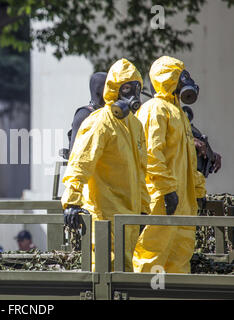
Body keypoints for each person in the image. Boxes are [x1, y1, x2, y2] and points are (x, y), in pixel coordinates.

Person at [61, 58, 150, 272]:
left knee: (125, 276)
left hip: (129, 219)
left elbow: (140, 171)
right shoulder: (100, 121)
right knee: (104, 275)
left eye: (136, 88)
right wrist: (72, 201)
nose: (133, 95)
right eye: (126, 88)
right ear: (113, 89)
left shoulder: (135, 125)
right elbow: (80, 163)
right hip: (104, 218)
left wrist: (145, 209)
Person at [133, 56, 206, 274]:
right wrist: (166, 190)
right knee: (152, 254)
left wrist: (197, 189)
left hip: (183, 203)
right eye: (182, 75)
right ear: (171, 77)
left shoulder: (178, 113)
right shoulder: (154, 109)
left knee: (179, 257)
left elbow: (189, 161)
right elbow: (151, 154)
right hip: (162, 201)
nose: (187, 80)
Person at [61, 72, 108, 159]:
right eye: (108, 87)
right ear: (99, 90)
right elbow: (74, 153)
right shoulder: (85, 114)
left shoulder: (111, 113)